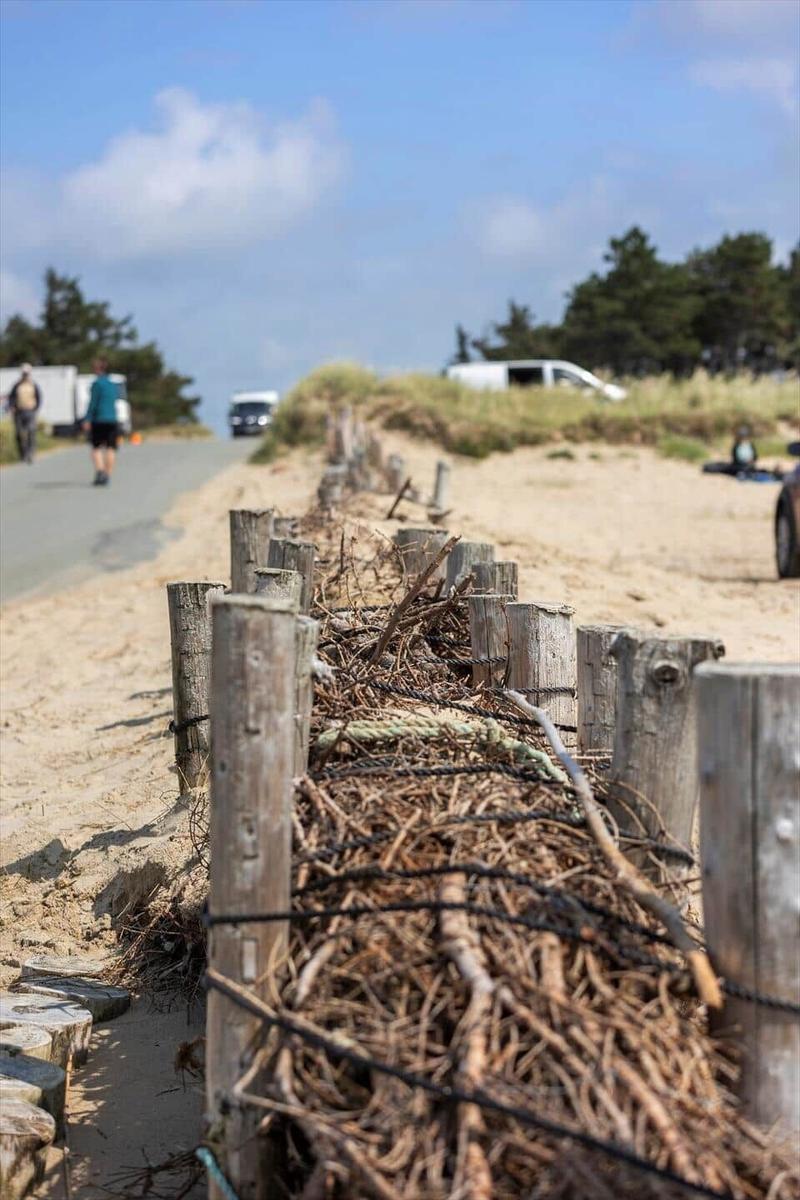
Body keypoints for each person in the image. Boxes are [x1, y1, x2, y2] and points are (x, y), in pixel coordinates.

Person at [82, 357, 119, 486]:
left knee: (96, 447)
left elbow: (93, 403)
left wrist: (87, 418)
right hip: (112, 419)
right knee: (111, 448)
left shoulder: (97, 384)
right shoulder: (113, 385)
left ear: (97, 369)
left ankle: (100, 472)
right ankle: (108, 475)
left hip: (99, 419)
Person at [8, 363, 41, 464]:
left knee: (31, 432)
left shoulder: (33, 385)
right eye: (24, 373)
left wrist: (35, 408)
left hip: (30, 411)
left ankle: (31, 453)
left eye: (27, 373)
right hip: (19, 412)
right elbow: (11, 398)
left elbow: (39, 398)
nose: (25, 375)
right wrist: (12, 406)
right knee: (19, 433)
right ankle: (23, 454)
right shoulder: (16, 385)